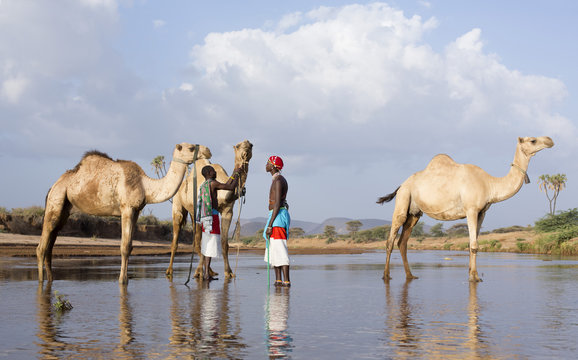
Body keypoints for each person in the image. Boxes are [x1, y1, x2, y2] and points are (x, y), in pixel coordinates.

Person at [197, 164, 240, 281]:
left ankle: (207, 274)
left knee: (206, 244)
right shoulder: (212, 183)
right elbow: (229, 187)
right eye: (213, 171)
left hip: (205, 218)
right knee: (210, 244)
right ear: (209, 173)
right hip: (212, 217)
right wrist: (237, 175)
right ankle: (206, 274)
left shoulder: (204, 185)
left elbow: (227, 184)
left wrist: (233, 174)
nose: (215, 172)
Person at [263, 155, 291, 287]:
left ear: (273, 166)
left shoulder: (279, 180)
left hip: (277, 218)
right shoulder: (276, 179)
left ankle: (286, 280)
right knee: (274, 250)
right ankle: (278, 280)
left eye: (268, 163)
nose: (266, 165)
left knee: (280, 249)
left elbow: (278, 203)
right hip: (275, 216)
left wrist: (269, 225)